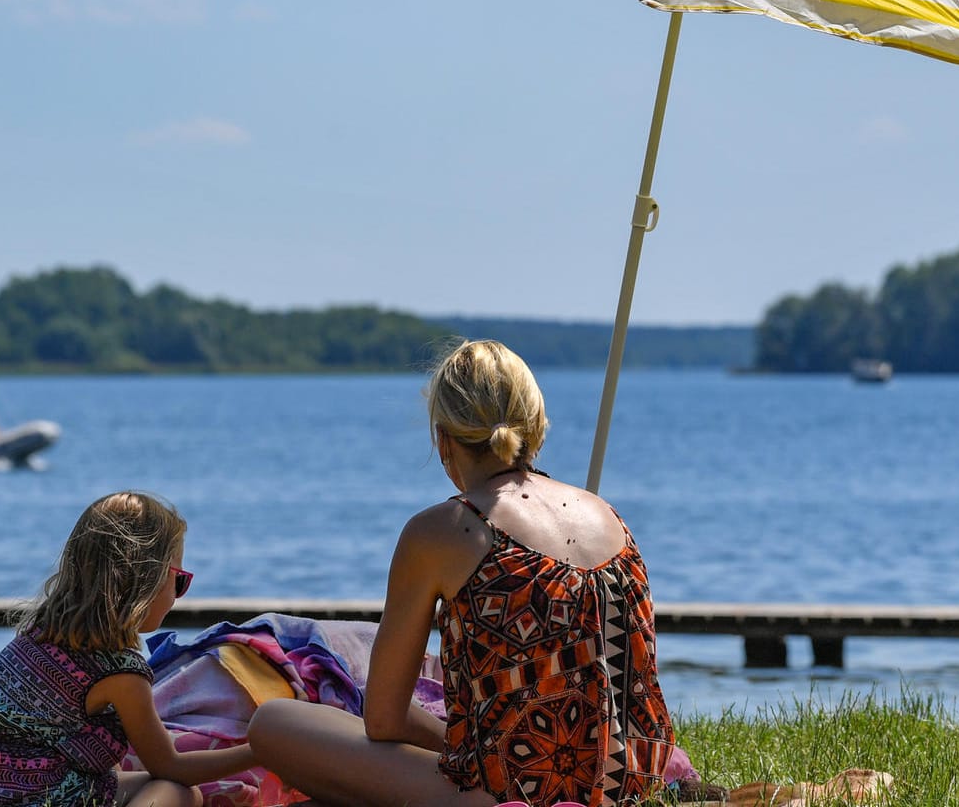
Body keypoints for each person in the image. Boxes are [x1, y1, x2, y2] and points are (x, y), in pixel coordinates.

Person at [246, 340, 675, 807]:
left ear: (444, 441)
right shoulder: (609, 518)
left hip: (518, 788)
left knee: (274, 725)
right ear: (537, 430)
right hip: (635, 776)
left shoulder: (444, 530)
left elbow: (385, 720)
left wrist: (453, 741)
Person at [0, 490, 253, 807]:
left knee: (145, 784)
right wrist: (259, 751)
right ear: (146, 579)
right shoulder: (121, 672)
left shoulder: (38, 636)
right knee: (179, 791)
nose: (177, 596)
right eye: (180, 580)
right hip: (33, 798)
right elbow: (169, 766)